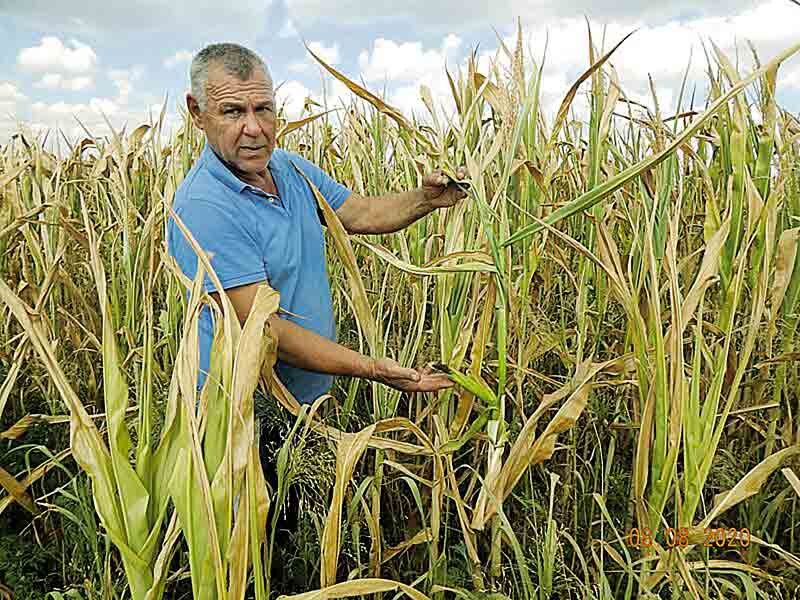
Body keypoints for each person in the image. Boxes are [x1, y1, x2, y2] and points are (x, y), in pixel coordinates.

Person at [167, 42, 468, 408]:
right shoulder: (205, 206)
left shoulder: (289, 169)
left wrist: (425, 199)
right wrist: (371, 368)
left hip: (303, 400)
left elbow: (361, 214)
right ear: (197, 113)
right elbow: (266, 329)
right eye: (232, 112)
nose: (254, 128)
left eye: (263, 109)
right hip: (241, 411)